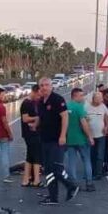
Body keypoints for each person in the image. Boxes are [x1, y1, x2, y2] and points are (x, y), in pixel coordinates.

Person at [34, 77, 78, 205]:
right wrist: (35, 125)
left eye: (47, 85)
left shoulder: (57, 99)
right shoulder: (40, 101)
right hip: (44, 139)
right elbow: (40, 117)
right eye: (41, 85)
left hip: (56, 139)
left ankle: (71, 186)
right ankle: (53, 197)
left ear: (51, 86)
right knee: (48, 170)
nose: (44, 87)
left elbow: (64, 117)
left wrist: (63, 135)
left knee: (56, 167)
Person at [64, 88, 95, 191]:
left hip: (69, 138)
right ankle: (89, 183)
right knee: (86, 160)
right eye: (81, 95)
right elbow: (84, 124)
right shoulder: (79, 107)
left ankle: (73, 183)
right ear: (75, 96)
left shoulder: (66, 107)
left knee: (71, 161)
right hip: (81, 138)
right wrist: (90, 136)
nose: (83, 98)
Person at [85, 90, 108, 180]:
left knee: (100, 155)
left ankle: (98, 174)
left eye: (101, 98)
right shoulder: (87, 107)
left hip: (101, 135)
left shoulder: (103, 106)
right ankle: (91, 172)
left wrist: (107, 126)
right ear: (93, 99)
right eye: (98, 98)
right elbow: (83, 119)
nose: (100, 100)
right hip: (90, 135)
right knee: (91, 155)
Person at [19, 88, 43, 187]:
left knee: (30, 157)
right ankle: (36, 180)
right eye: (38, 95)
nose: (39, 98)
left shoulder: (34, 103)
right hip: (30, 133)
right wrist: (37, 118)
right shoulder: (26, 103)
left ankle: (26, 179)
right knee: (37, 156)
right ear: (34, 92)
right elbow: (25, 119)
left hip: (34, 133)